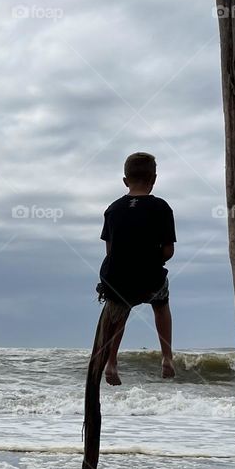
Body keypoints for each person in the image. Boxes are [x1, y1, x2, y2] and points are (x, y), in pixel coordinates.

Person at [97, 151, 177, 384]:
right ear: (153, 179)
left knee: (119, 310)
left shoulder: (113, 209)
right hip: (151, 280)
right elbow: (169, 251)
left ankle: (111, 362)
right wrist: (152, 260)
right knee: (161, 305)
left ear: (125, 180)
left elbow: (110, 252)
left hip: (118, 280)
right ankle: (167, 356)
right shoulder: (162, 208)